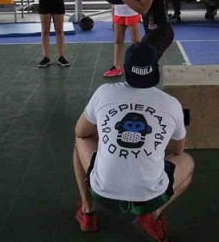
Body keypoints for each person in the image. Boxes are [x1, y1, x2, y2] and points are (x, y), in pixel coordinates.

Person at [73, 42, 194, 241]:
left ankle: (88, 212)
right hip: (150, 197)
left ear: (125, 68)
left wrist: (106, 136)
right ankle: (151, 214)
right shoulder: (172, 104)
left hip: (101, 191)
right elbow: (178, 150)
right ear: (155, 69)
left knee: (81, 138)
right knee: (187, 161)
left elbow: (80, 132)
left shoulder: (104, 92)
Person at [104, 0, 142, 78]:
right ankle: (117, 67)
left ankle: (138, 65)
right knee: (118, 41)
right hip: (118, 12)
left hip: (132, 12)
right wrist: (112, 15)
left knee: (136, 42)